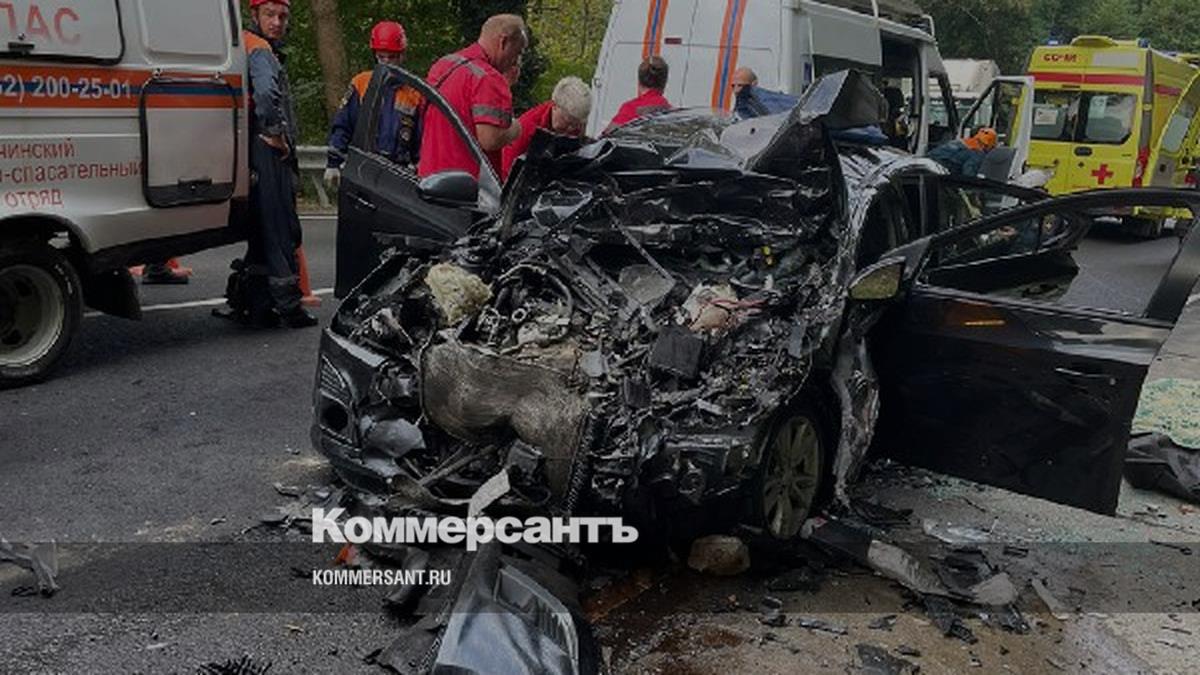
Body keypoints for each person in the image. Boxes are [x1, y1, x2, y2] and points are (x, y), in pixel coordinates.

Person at [218, 0, 315, 328]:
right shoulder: (260, 49)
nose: (277, 22)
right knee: (280, 228)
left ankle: (255, 302)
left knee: (262, 232)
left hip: (251, 147)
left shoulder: (244, 44)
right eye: (270, 15)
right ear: (254, 15)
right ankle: (289, 307)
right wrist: (276, 134)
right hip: (267, 150)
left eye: (282, 16)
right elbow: (265, 94)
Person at [418, 14, 527, 179]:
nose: (516, 61)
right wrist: (516, 128)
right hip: (466, 185)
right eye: (517, 52)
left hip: (429, 178)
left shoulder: (443, 65)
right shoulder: (488, 78)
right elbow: (490, 139)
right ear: (503, 42)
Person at [324, 21, 422, 189]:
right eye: (381, 57)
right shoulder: (361, 84)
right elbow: (343, 126)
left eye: (392, 57)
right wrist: (333, 162)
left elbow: (421, 140)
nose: (387, 63)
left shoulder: (414, 93)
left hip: (399, 172)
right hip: (364, 169)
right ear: (375, 55)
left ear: (402, 55)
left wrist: (422, 170)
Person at [499, 76, 592, 181]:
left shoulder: (576, 121)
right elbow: (508, 169)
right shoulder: (526, 128)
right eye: (567, 121)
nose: (571, 129)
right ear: (554, 106)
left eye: (576, 124)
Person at [606, 56, 672, 132]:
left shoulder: (630, 109)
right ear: (664, 83)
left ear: (639, 81)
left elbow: (608, 136)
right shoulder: (671, 113)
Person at [928, 128, 998, 177]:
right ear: (988, 145)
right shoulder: (978, 153)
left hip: (928, 161)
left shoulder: (962, 141)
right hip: (939, 168)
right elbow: (968, 173)